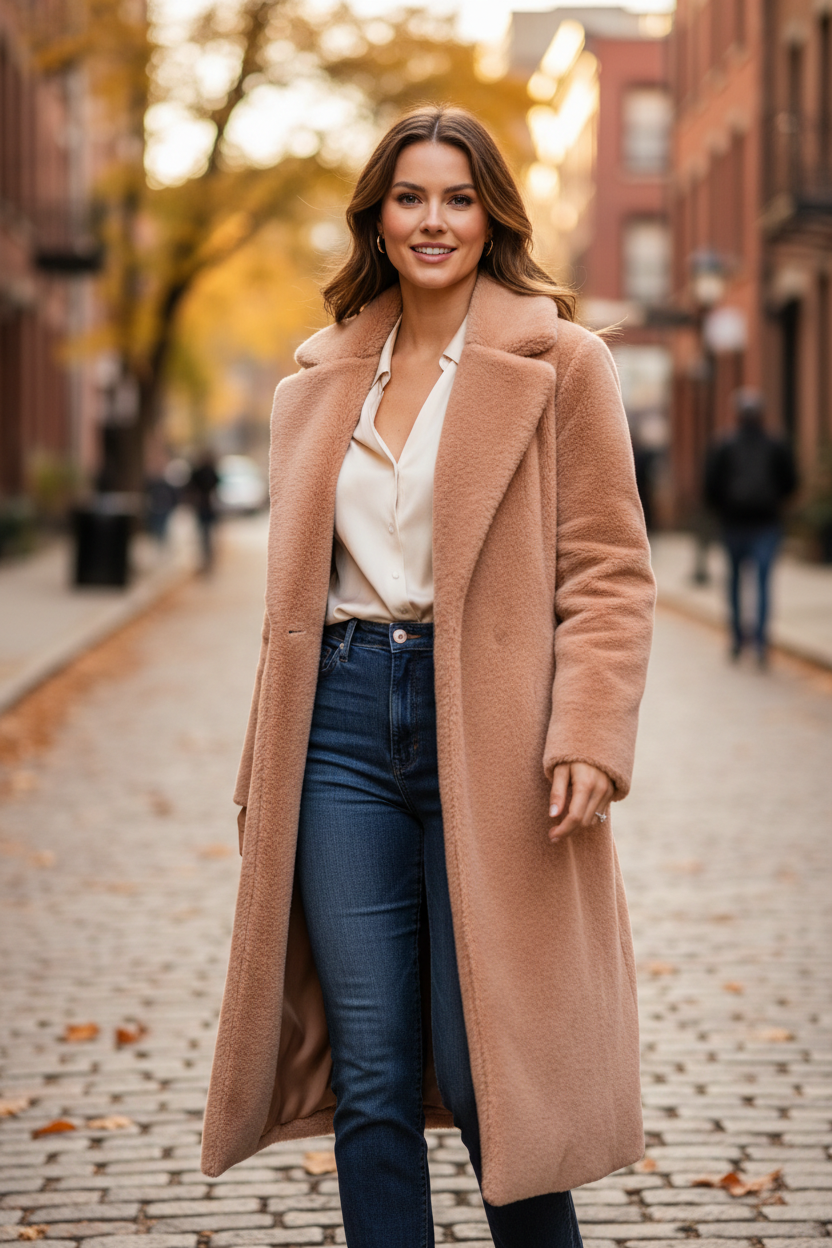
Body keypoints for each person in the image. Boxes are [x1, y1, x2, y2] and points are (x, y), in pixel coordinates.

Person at [201, 107, 656, 1248]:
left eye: (458, 198)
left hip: (492, 732)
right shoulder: (316, 378)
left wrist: (589, 732)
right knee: (370, 1066)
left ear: (492, 214)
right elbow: (293, 602)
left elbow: (608, 570)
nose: (433, 220)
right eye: (411, 197)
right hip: (341, 727)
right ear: (378, 216)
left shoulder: (562, 363)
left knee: (489, 1060)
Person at [704, 388, 797, 664]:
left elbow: (709, 486)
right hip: (767, 524)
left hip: (734, 524)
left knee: (734, 581)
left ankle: (736, 638)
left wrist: (722, 509)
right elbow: (791, 482)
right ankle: (760, 642)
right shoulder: (776, 444)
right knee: (763, 583)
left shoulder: (724, 444)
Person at [187, 451, 220, 572]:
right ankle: (207, 558)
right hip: (207, 507)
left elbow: (190, 488)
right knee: (207, 534)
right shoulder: (210, 472)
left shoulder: (200, 472)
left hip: (203, 507)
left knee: (203, 535)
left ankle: (206, 558)